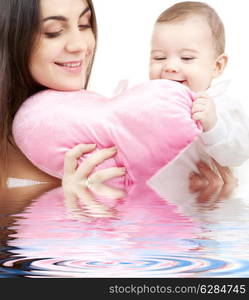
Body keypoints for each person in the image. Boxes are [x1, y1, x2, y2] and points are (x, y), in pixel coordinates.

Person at [0, 0, 234, 202]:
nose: (80, 45)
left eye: (84, 25)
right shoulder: (9, 171)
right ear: (10, 38)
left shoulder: (105, 120)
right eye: (53, 31)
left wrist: (213, 197)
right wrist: (65, 203)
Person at [149, 1, 249, 199]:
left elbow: (238, 154)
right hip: (164, 201)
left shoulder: (221, 106)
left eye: (186, 58)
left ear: (217, 66)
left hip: (208, 211)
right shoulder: (150, 103)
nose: (170, 67)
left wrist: (213, 125)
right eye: (159, 58)